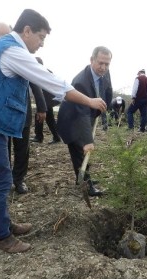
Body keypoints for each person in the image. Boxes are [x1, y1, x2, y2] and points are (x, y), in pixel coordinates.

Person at [0, 9, 107, 253]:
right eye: (41, 37)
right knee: (1, 176)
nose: (42, 43)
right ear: (26, 31)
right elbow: (52, 82)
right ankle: (0, 236)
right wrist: (89, 101)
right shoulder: (13, 51)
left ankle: (3, 223)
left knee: (0, 174)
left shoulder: (8, 48)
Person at [0, 22, 47, 195]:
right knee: (2, 149)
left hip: (21, 112)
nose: (3, 39)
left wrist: (42, 106)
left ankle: (19, 179)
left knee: (22, 149)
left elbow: (35, 82)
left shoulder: (23, 54)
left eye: (6, 35)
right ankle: (4, 180)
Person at [57, 46, 112, 197]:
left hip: (87, 115)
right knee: (81, 152)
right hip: (72, 120)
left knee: (84, 152)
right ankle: (86, 187)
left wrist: (103, 110)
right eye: (100, 63)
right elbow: (81, 114)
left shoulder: (105, 73)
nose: (103, 67)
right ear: (92, 60)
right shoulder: (81, 82)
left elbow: (107, 91)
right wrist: (88, 141)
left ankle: (81, 179)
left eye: (107, 64)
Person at [30, 58, 61, 144]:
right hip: (48, 100)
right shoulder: (47, 71)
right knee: (50, 119)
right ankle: (56, 136)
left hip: (45, 100)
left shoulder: (39, 72)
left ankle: (39, 137)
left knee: (39, 117)